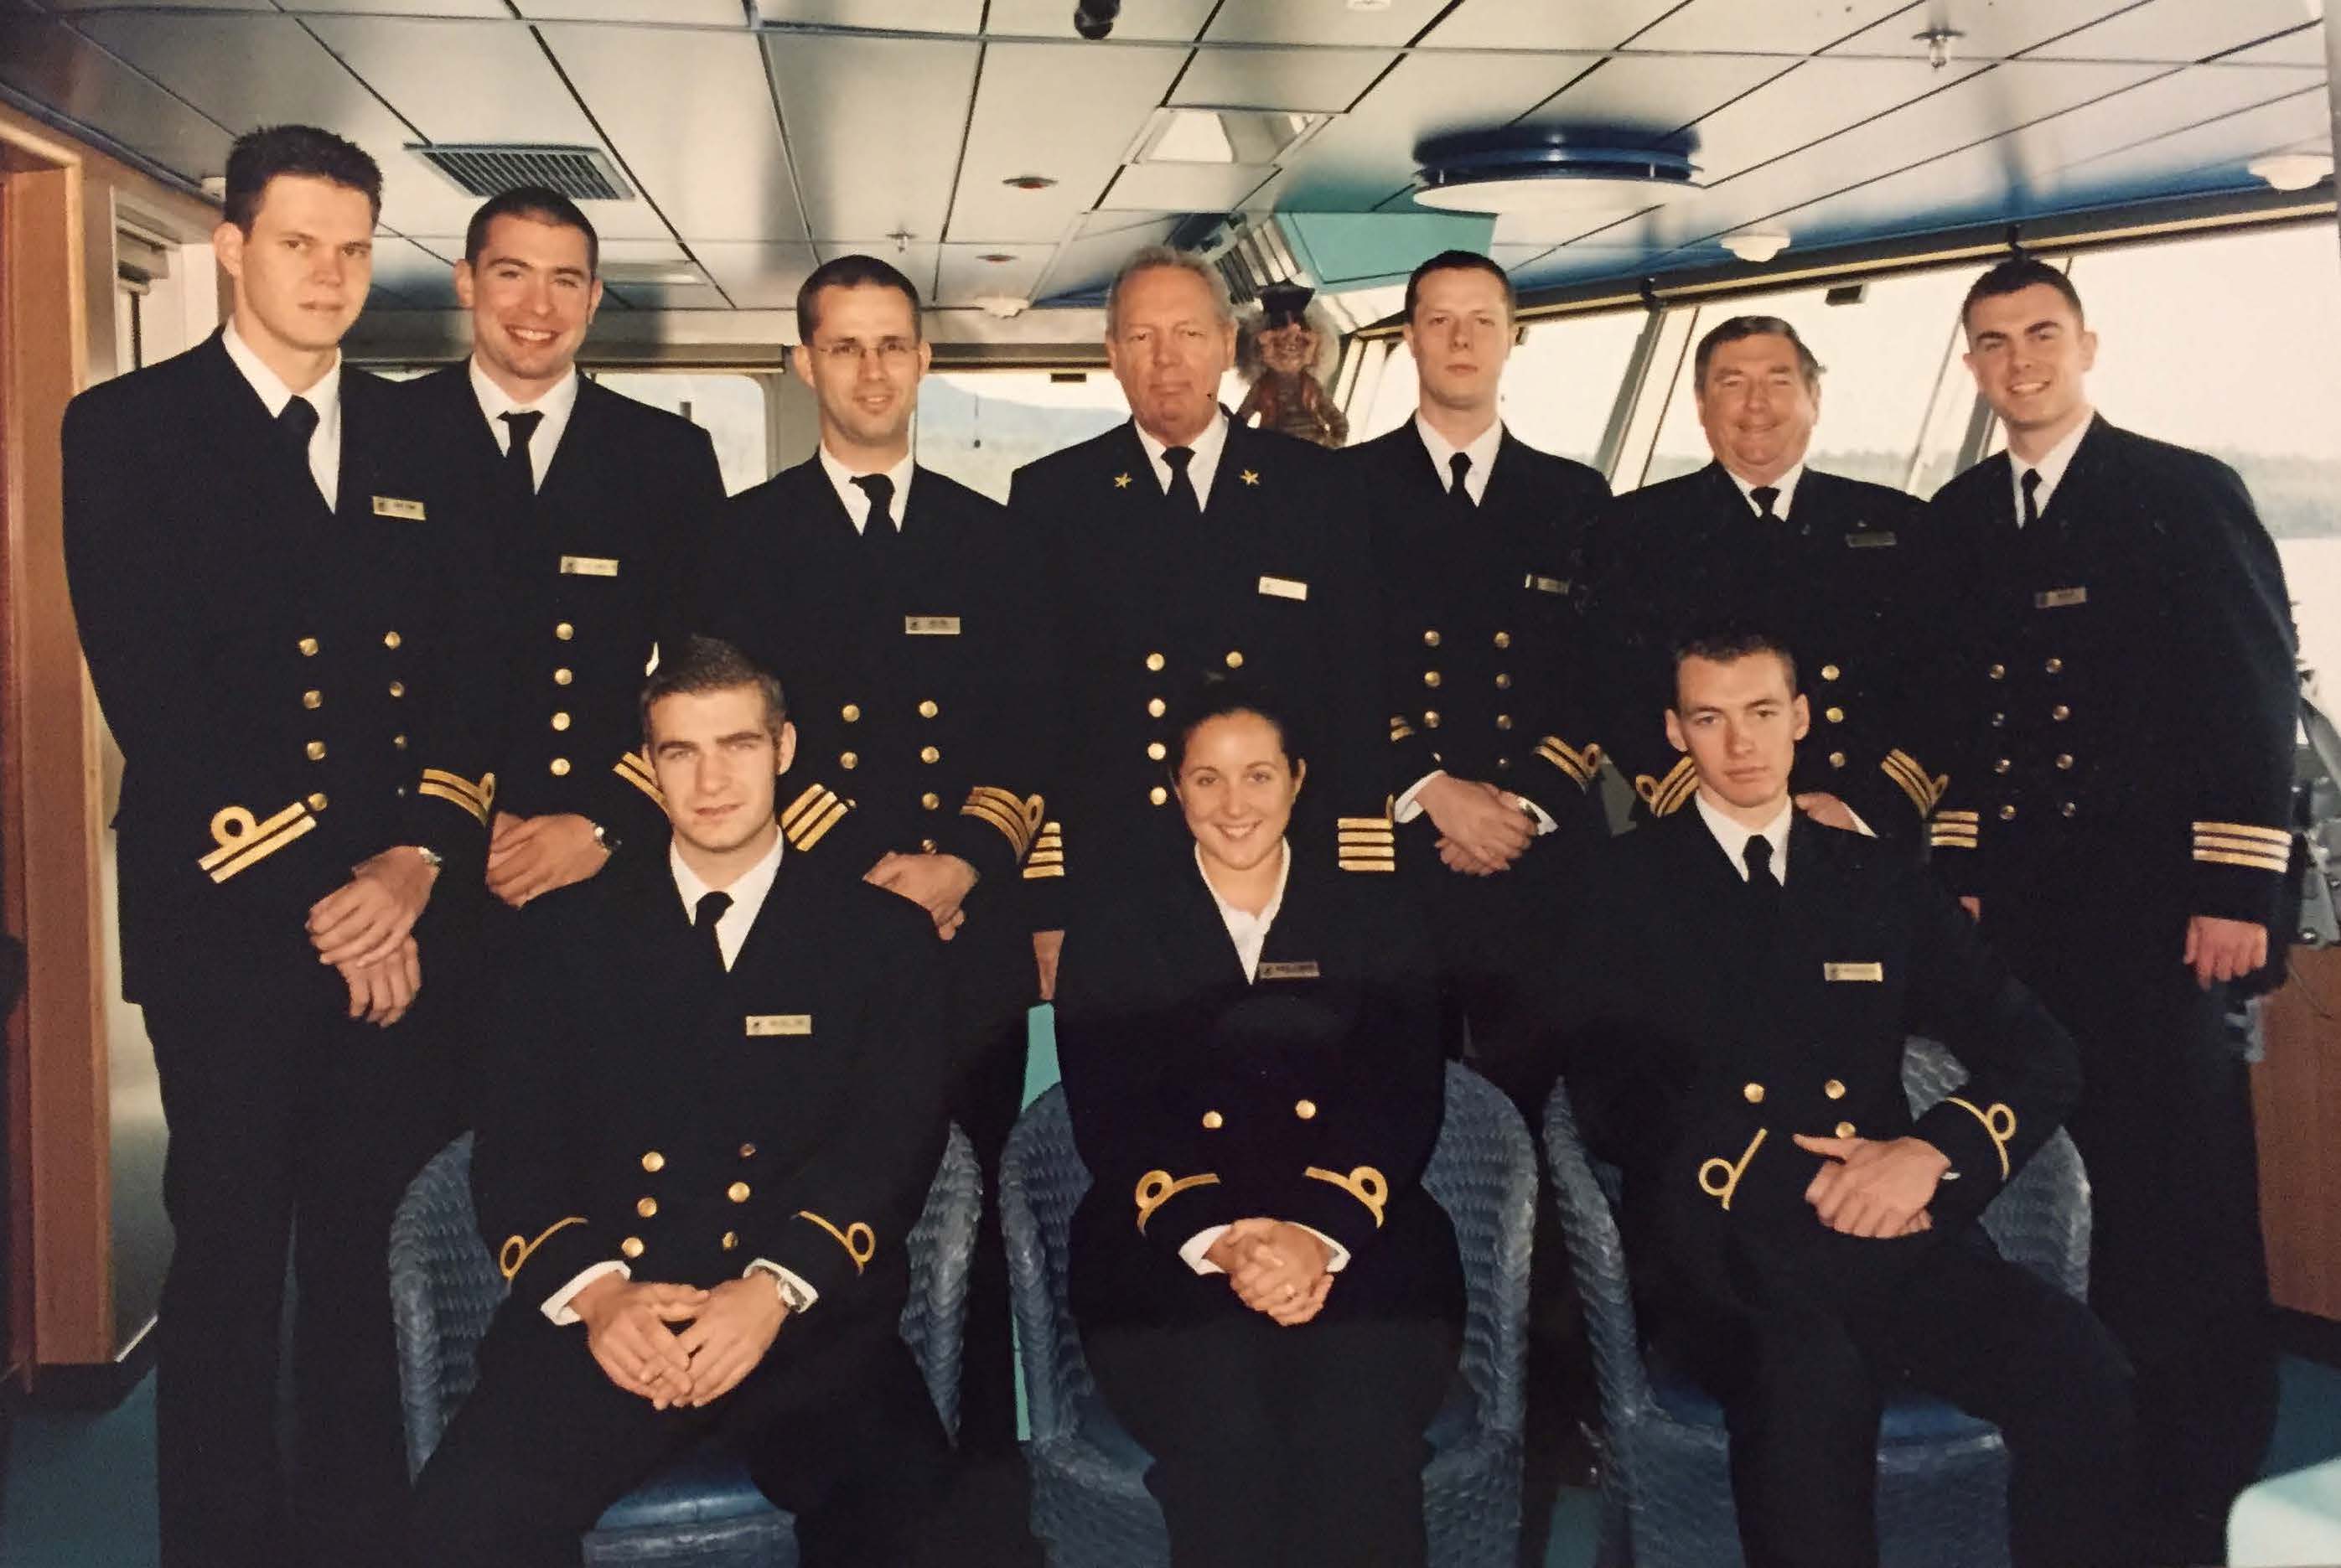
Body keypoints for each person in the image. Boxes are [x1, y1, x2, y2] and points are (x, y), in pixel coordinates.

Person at [60, 124, 495, 1567]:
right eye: (299, 243)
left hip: (400, 929)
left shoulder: (430, 433)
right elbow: (161, 698)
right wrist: (336, 893)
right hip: (233, 930)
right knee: (236, 1265)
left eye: (355, 249)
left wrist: (415, 865)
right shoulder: (125, 432)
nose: (329, 274)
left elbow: (469, 683)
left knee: (379, 1264)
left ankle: (365, 1538)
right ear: (231, 246)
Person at [1551, 627, 2139, 1568]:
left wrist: (1927, 1157)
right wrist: (1806, 1176)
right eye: (1710, 718)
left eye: (1760, 713)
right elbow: (1614, 1100)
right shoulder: (1619, 884)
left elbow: (2040, 1049)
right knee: (1808, 1381)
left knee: (2082, 1366)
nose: (1740, 744)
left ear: (1802, 719)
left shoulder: (1877, 875)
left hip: (1900, 1226)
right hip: (1725, 1250)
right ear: (1675, 732)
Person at [407, 637, 954, 1568]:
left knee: (947, 1538)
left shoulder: (881, 936)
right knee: (452, 1533)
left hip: (803, 1324)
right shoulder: (558, 936)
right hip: (616, 1319)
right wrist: (601, 1297)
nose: (710, 780)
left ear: (785, 749)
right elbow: (515, 1152)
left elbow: (890, 1148)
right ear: (648, 765)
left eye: (737, 745)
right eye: (679, 751)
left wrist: (770, 1289)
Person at [1928, 254, 2296, 1558]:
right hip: (2025, 922)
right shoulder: (1961, 514)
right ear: (1969, 364)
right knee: (2056, 1176)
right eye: (1991, 342)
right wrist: (1959, 870)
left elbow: (2250, 698)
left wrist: (2238, 886)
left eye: (2039, 335)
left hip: (2160, 917)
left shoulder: (2182, 494)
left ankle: (2203, 1479)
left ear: (2088, 344)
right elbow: (1955, 720)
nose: (2018, 362)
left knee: (2182, 1195)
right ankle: (2092, 1445)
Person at [684, 252, 1049, 1457]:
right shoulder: (736, 540)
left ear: (926, 360)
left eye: (893, 343)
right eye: (844, 346)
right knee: (821, 1190)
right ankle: (831, 1458)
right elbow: (735, 743)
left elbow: (1033, 734)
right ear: (803, 364)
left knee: (981, 1205)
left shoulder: (994, 539)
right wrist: (879, 878)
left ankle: (983, 1476)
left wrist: (960, 865)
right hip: (815, 940)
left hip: (967, 935)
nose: (872, 368)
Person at [1054, 680, 1463, 1568]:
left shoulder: (1376, 913)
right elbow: (1112, 1114)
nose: (1235, 805)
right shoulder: (1117, 923)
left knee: (1360, 1430)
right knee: (1224, 1427)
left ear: (1298, 779)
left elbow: (1400, 1099)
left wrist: (1319, 1233)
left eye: (1259, 776)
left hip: (1364, 1238)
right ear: (1176, 787)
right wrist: (1225, 1240)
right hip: (1168, 1246)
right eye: (1208, 779)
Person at [1008, 246, 1390, 1000]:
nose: (1165, 359)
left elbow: (1357, 690)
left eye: (1187, 333)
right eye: (1142, 337)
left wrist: (1358, 883)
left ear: (1225, 345)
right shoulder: (1055, 498)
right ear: (1113, 355)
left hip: (1284, 866)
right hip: (1114, 877)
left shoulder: (1317, 490)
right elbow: (1034, 711)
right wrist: (1046, 905)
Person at [402, 185, 723, 919]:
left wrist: (607, 822)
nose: (538, 308)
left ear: (594, 297)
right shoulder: (384, 433)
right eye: (512, 273)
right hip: (414, 865)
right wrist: (437, 833)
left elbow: (702, 671)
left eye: (565, 281)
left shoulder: (665, 457)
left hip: (596, 856)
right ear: (466, 281)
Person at [1354, 247, 1612, 1107]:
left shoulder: (1576, 496)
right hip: (1393, 840)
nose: (1461, 340)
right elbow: (1324, 667)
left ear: (1512, 338)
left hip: (1535, 848)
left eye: (1482, 322)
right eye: (1439, 320)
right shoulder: (1340, 491)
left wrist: (1523, 803)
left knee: (1539, 1099)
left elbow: (1601, 674)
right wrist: (1429, 786)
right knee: (1385, 1096)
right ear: (1408, 338)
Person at [1582, 316, 1951, 841]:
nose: (1757, 405)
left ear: (1813, 399)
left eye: (1779, 382)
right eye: (1732, 384)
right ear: (1701, 406)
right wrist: (1713, 807)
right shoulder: (1633, 531)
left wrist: (1868, 809)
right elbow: (1612, 685)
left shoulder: (1902, 525)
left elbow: (1944, 684)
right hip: (1699, 832)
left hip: (1863, 834)